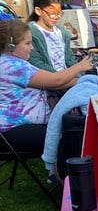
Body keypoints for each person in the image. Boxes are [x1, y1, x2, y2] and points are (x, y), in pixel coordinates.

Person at [0, 19, 92, 177]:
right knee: (74, 134)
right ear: (11, 46)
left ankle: (67, 177)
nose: (32, 47)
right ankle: (69, 179)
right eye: (28, 43)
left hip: (13, 129)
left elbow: (51, 81)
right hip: (12, 130)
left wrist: (85, 81)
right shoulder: (13, 66)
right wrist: (80, 67)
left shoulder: (10, 62)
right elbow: (56, 81)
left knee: (74, 127)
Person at [27, 0, 77, 74]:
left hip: (67, 76)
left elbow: (70, 60)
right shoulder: (29, 34)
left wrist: (78, 74)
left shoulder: (62, 33)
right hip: (47, 78)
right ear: (38, 11)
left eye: (59, 13)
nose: (56, 17)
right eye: (52, 13)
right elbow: (35, 62)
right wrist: (61, 77)